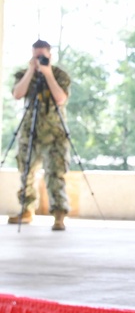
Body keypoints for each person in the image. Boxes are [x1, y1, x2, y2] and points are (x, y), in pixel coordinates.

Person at [8, 39, 72, 231]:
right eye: (36, 56)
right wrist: (31, 71)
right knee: (26, 172)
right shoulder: (23, 74)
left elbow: (61, 98)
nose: (39, 59)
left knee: (55, 174)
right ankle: (26, 210)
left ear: (50, 55)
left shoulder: (60, 76)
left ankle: (59, 214)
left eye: (43, 56)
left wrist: (47, 74)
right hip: (30, 132)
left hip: (55, 134)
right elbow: (17, 94)